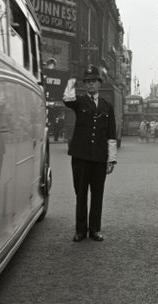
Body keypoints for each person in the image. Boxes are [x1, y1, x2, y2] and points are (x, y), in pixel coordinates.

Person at [63, 65, 117, 242]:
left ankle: (95, 230)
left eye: (93, 81)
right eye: (87, 82)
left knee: (97, 194)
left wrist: (112, 160)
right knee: (81, 194)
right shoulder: (79, 102)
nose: (90, 85)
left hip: (99, 158)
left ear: (99, 83)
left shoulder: (107, 106)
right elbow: (67, 99)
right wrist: (72, 80)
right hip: (80, 157)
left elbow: (111, 134)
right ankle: (80, 230)